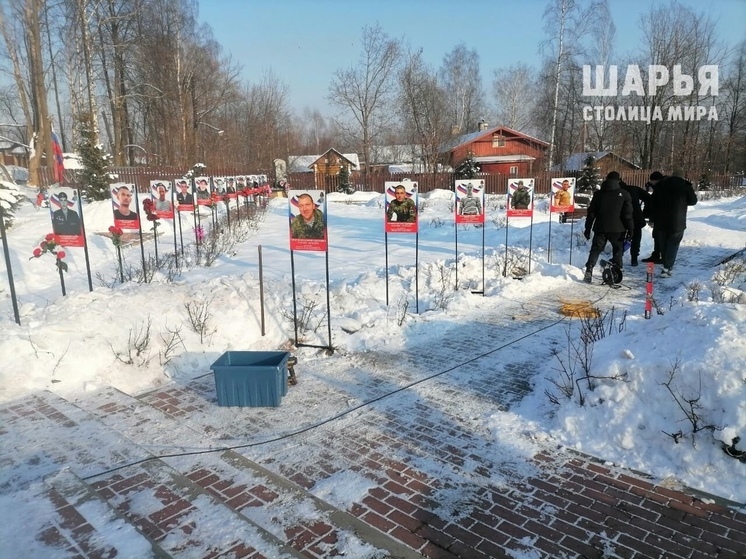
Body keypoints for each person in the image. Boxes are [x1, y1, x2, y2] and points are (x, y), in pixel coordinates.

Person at [582, 171, 634, 284]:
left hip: (600, 227)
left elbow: (591, 213)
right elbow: (627, 215)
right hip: (618, 228)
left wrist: (588, 228)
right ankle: (615, 271)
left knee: (595, 249)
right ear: (618, 180)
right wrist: (631, 229)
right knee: (618, 249)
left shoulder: (598, 194)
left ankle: (589, 269)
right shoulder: (624, 194)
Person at [649, 168, 697, 277]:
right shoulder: (686, 186)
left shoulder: (661, 185)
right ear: (682, 176)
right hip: (677, 221)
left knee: (664, 244)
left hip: (661, 220)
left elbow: (654, 202)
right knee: (673, 244)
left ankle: (666, 265)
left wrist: (652, 217)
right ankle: (667, 267)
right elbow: (693, 201)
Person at [619, 177, 652, 266]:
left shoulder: (616, 191)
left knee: (620, 237)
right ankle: (634, 259)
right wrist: (645, 212)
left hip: (621, 218)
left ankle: (618, 257)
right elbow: (649, 198)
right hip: (636, 217)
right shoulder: (634, 189)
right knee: (636, 238)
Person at [641, 171, 665, 263]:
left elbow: (658, 197)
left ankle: (662, 256)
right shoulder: (659, 187)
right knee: (656, 236)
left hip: (661, 216)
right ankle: (656, 255)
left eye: (652, 181)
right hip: (658, 216)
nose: (651, 182)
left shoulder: (662, 187)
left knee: (660, 237)